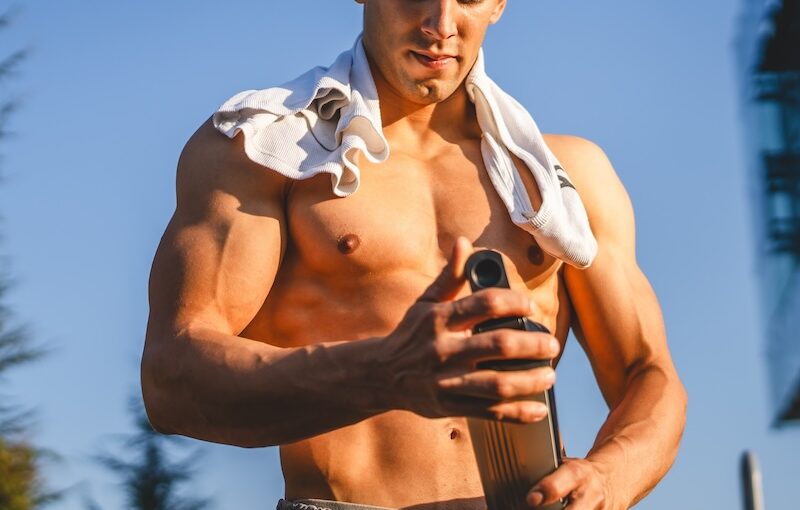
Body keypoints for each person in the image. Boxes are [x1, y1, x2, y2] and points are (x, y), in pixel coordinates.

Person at [141, 1, 687, 509]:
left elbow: (649, 373)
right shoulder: (266, 151)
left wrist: (608, 477)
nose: (441, 23)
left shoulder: (566, 179)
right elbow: (172, 377)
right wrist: (381, 375)